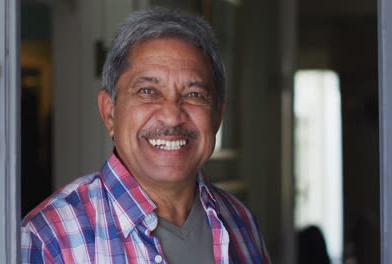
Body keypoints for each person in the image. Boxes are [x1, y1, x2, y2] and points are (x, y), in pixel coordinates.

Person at [21, 8, 271, 264]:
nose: (172, 116)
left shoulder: (241, 222)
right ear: (109, 113)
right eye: (148, 91)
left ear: (217, 116)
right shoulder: (48, 239)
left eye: (194, 94)